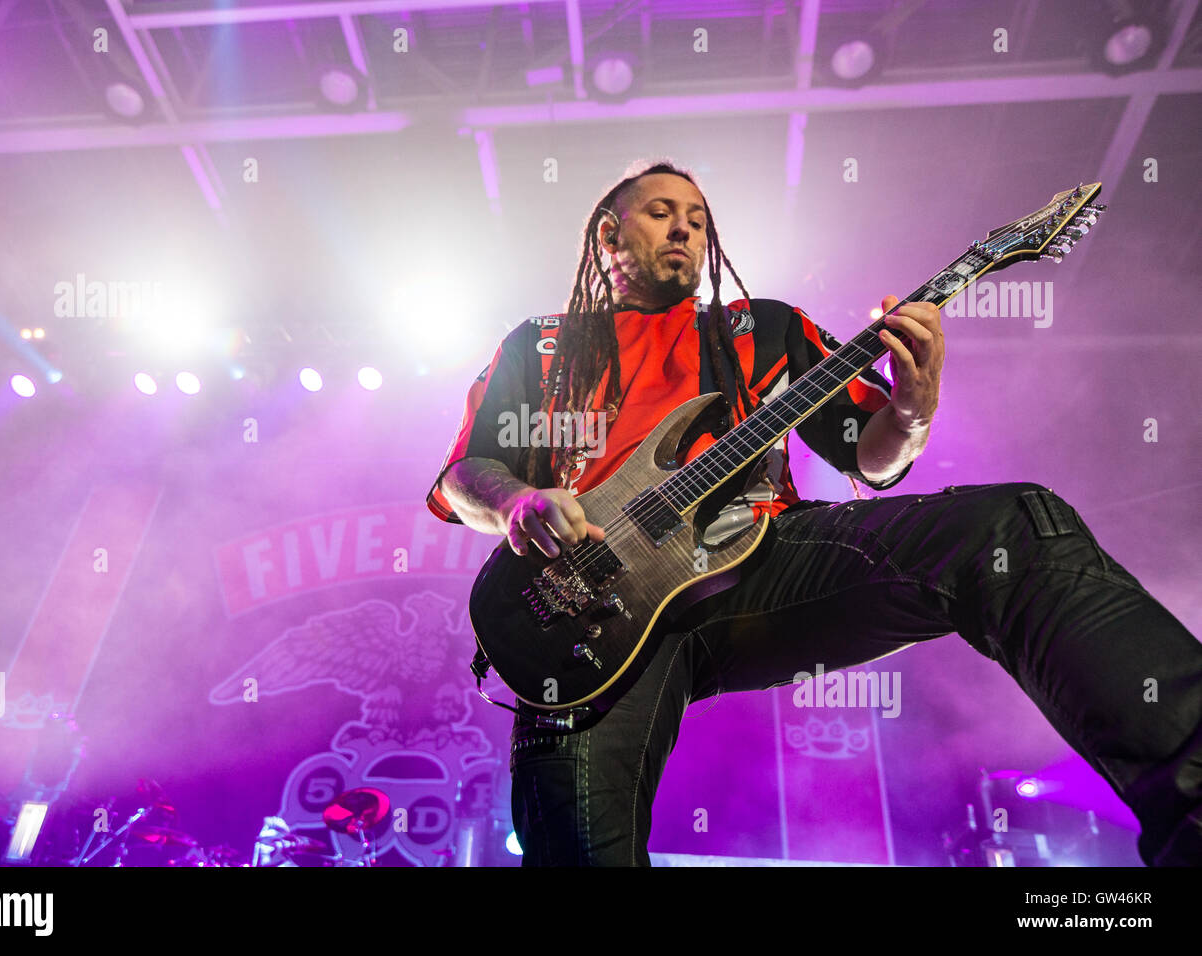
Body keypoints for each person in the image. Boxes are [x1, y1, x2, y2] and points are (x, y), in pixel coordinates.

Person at [424, 159, 1202, 867]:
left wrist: (913, 404)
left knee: (1015, 527)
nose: (686, 227)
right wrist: (518, 501)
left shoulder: (765, 329)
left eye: (698, 218)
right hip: (586, 619)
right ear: (606, 233)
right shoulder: (542, 345)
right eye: (662, 211)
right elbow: (464, 472)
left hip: (759, 568)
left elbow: (873, 456)